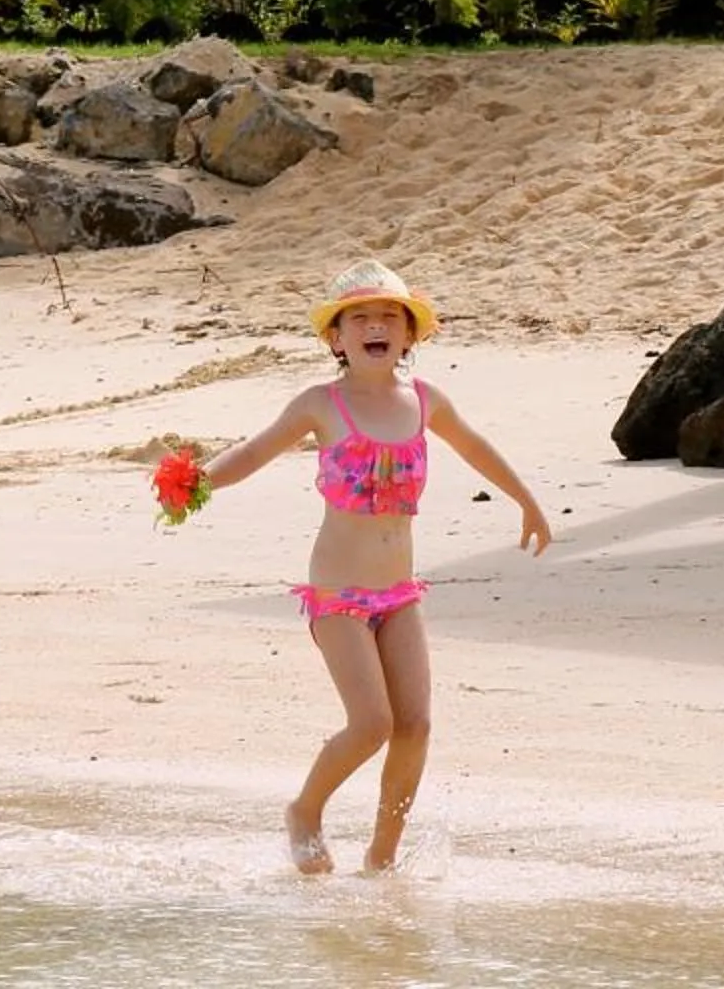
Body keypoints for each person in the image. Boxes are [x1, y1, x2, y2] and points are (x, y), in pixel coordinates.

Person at [186, 259, 551, 874]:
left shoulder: (427, 401)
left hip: (400, 595)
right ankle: (304, 810)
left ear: (410, 336)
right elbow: (253, 451)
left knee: (414, 724)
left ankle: (381, 862)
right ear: (337, 338)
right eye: (360, 318)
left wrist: (527, 500)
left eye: (390, 317)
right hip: (339, 597)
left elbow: (477, 446)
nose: (376, 326)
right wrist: (194, 484)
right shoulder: (320, 405)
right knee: (371, 723)